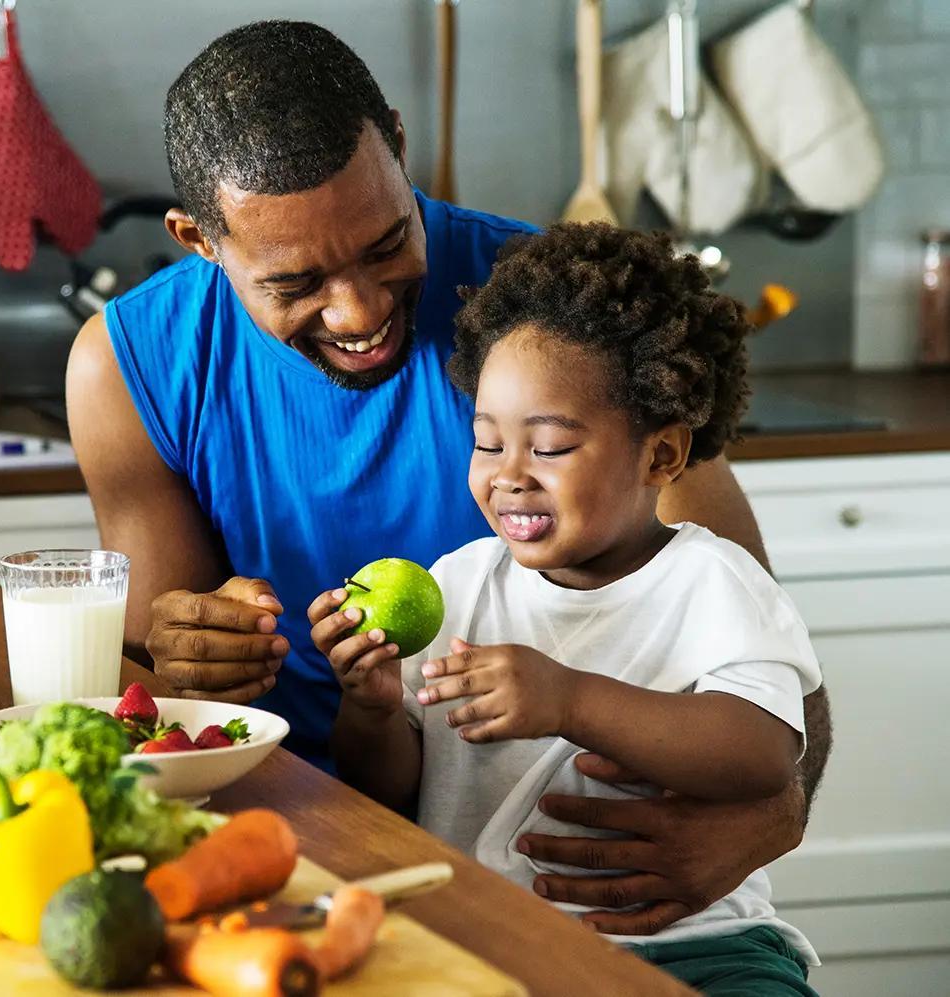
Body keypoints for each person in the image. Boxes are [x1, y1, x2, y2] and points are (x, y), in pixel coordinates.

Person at [66, 19, 833, 937]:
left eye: (388, 243)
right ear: (200, 239)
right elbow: (161, 700)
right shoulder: (129, 366)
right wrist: (183, 650)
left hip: (576, 889)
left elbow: (770, 659)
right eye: (296, 281)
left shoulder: (552, 322)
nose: (359, 310)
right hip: (272, 849)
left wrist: (769, 821)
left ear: (397, 141)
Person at [313, 223, 823, 994]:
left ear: (661, 455)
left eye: (547, 447)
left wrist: (571, 698)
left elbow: (762, 754)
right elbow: (390, 789)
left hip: (699, 945)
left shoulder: (714, 583)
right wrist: (374, 709)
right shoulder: (458, 584)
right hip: (488, 939)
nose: (509, 477)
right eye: (488, 443)